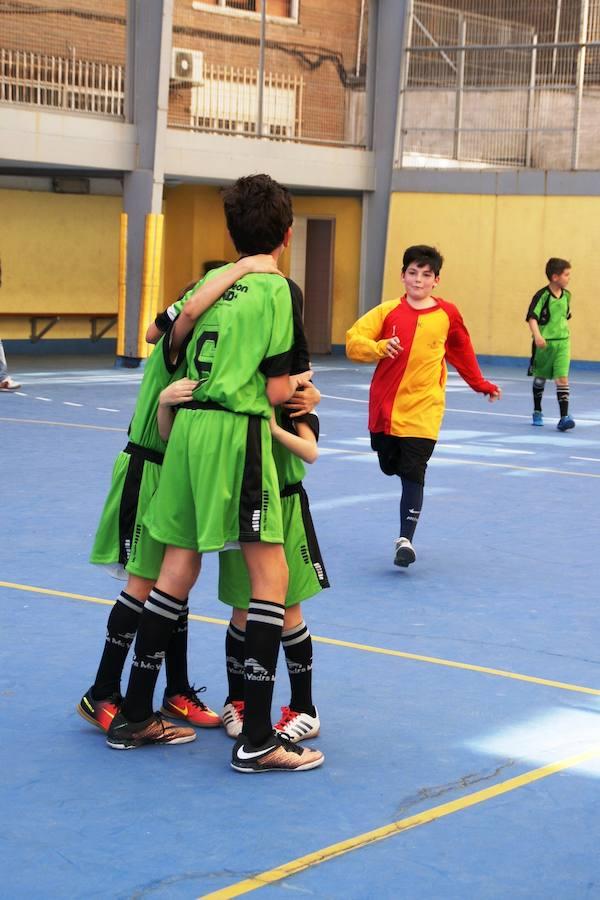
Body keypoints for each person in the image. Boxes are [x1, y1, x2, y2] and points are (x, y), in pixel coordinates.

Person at [107, 174, 324, 774]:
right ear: (286, 234)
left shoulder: (208, 284)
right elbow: (280, 386)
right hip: (237, 433)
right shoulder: (278, 289)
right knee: (270, 575)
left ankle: (132, 714)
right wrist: (301, 396)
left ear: (231, 233)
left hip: (187, 432)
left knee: (176, 567)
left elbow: (166, 341)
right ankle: (257, 735)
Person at [78, 256, 279, 740]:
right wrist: (240, 268)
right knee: (146, 585)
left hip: (175, 469)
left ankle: (177, 689)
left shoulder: (197, 351)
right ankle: (102, 692)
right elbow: (160, 326)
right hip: (147, 468)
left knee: (176, 580)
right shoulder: (178, 344)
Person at [346, 244, 501, 569]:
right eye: (412, 273)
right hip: (386, 411)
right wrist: (378, 346)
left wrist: (480, 384)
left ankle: (406, 540)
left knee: (414, 472)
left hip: (425, 411)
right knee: (390, 465)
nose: (418, 280)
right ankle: (391, 464)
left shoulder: (448, 315)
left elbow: (462, 350)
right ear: (402, 276)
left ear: (436, 280)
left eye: (426, 274)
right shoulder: (387, 311)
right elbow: (353, 341)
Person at [219, 385, 328, 745]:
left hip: (284, 508)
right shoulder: (237, 394)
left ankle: (304, 709)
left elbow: (310, 452)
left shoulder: (297, 400)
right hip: (242, 505)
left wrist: (275, 428)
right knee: (241, 608)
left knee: (288, 608)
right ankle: (239, 700)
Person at [526, 258, 574, 431]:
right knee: (540, 378)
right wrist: (538, 336)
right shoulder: (542, 295)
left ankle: (564, 417)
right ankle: (537, 410)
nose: (569, 278)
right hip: (545, 345)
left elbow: (564, 317)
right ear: (555, 277)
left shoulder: (567, 295)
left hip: (563, 343)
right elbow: (532, 317)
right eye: (566, 275)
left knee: (562, 378)